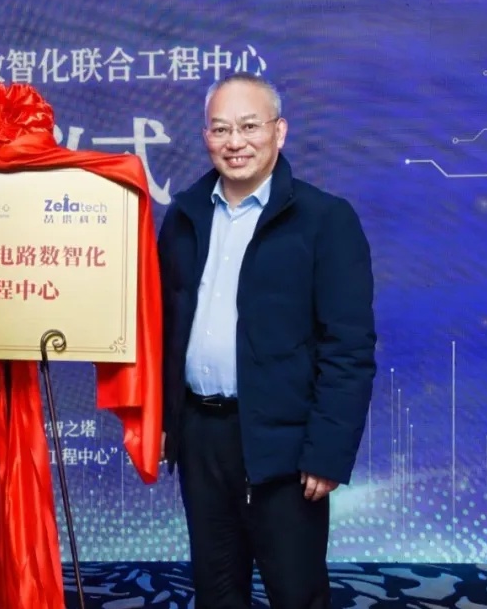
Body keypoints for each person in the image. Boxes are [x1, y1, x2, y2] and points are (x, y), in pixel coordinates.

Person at [158, 72, 376, 608]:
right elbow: (163, 328)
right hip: (201, 436)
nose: (235, 142)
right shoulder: (184, 216)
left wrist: (328, 452)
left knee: (296, 593)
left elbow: (348, 349)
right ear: (206, 136)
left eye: (249, 126)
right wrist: (164, 421)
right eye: (220, 129)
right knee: (216, 591)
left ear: (279, 131)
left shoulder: (325, 220)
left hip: (286, 447)